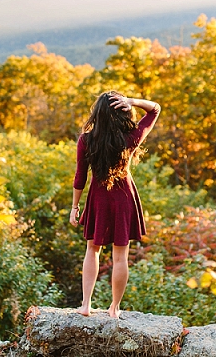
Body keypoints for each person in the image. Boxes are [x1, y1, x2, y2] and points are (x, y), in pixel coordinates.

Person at [69, 91, 161, 318]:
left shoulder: (86, 140)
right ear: (122, 112)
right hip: (123, 198)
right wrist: (132, 101)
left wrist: (74, 207)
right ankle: (114, 308)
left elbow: (80, 177)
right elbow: (155, 109)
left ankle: (86, 305)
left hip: (98, 198)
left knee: (92, 249)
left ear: (97, 113)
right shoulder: (131, 137)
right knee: (120, 256)